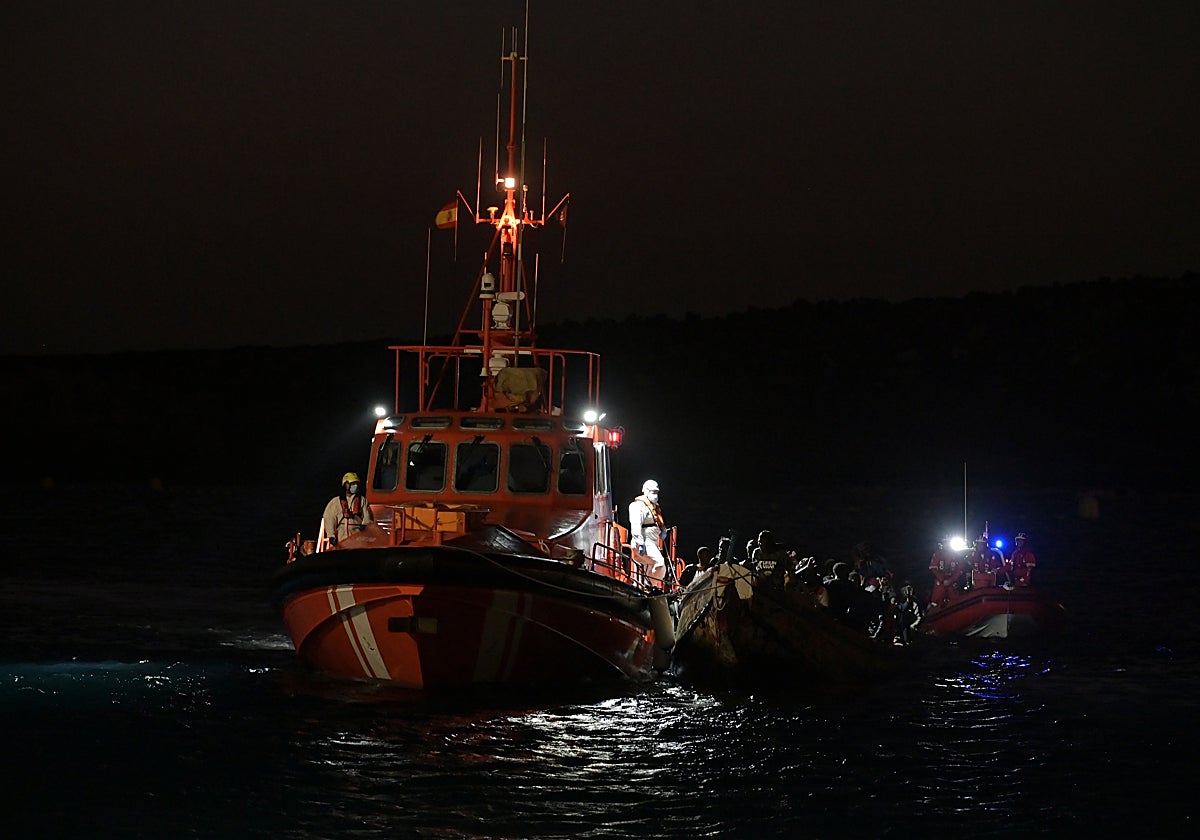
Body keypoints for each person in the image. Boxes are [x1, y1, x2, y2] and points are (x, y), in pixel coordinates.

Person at [629, 479, 668, 587]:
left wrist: (663, 530)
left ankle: (646, 585)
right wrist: (640, 543)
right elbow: (636, 525)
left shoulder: (654, 507)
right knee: (660, 563)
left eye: (657, 492)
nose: (655, 495)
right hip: (644, 542)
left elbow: (657, 521)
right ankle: (650, 584)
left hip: (653, 541)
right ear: (645, 491)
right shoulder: (637, 506)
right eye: (653, 492)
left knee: (650, 566)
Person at [323, 471, 375, 546]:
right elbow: (329, 518)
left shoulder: (362, 500)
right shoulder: (335, 502)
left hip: (357, 537)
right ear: (346, 485)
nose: (355, 486)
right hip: (341, 538)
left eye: (356, 484)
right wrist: (331, 535)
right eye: (352, 484)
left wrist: (365, 525)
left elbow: (368, 516)